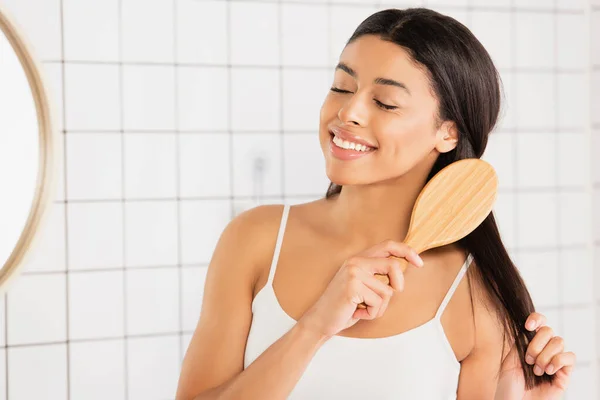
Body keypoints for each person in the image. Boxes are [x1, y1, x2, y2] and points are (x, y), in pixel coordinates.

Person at [176, 7, 576, 400]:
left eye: (385, 102)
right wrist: (314, 326)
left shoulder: (475, 292)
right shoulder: (255, 238)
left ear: (448, 133)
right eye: (341, 87)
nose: (348, 112)